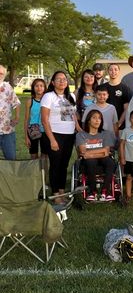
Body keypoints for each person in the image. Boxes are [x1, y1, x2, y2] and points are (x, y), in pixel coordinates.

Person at [41, 71, 80, 203]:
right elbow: (44, 120)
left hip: (69, 135)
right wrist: (52, 139)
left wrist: (78, 129)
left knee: (64, 165)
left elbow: (73, 116)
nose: (62, 81)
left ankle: (62, 190)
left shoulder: (71, 97)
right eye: (58, 79)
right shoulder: (48, 96)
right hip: (54, 135)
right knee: (55, 165)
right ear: (53, 82)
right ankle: (56, 193)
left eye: (64, 79)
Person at [76, 110, 117, 201]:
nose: (97, 120)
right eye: (94, 118)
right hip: (88, 162)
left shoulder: (105, 134)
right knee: (91, 162)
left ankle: (105, 191)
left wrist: (89, 154)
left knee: (110, 162)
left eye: (99, 118)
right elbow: (83, 151)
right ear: (88, 120)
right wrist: (100, 152)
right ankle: (92, 191)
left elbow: (106, 151)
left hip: (102, 159)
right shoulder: (81, 135)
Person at [101, 63, 132, 131]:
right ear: (108, 71)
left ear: (119, 71)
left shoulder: (125, 88)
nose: (113, 72)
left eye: (115, 69)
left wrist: (119, 123)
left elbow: (126, 109)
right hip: (104, 125)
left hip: (120, 127)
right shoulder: (102, 87)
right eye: (111, 70)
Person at [24, 78, 47, 160]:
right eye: (36, 86)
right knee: (33, 155)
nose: (39, 88)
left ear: (44, 88)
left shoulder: (47, 100)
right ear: (33, 88)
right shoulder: (30, 101)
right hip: (33, 130)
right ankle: (34, 172)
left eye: (41, 86)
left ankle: (43, 172)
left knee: (44, 155)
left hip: (45, 130)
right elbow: (26, 119)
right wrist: (26, 136)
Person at [0, 65, 20, 160]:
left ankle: (10, 175)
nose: (0, 75)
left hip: (7, 130)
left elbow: (16, 103)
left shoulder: (7, 87)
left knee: (11, 158)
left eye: (1, 73)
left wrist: (17, 117)